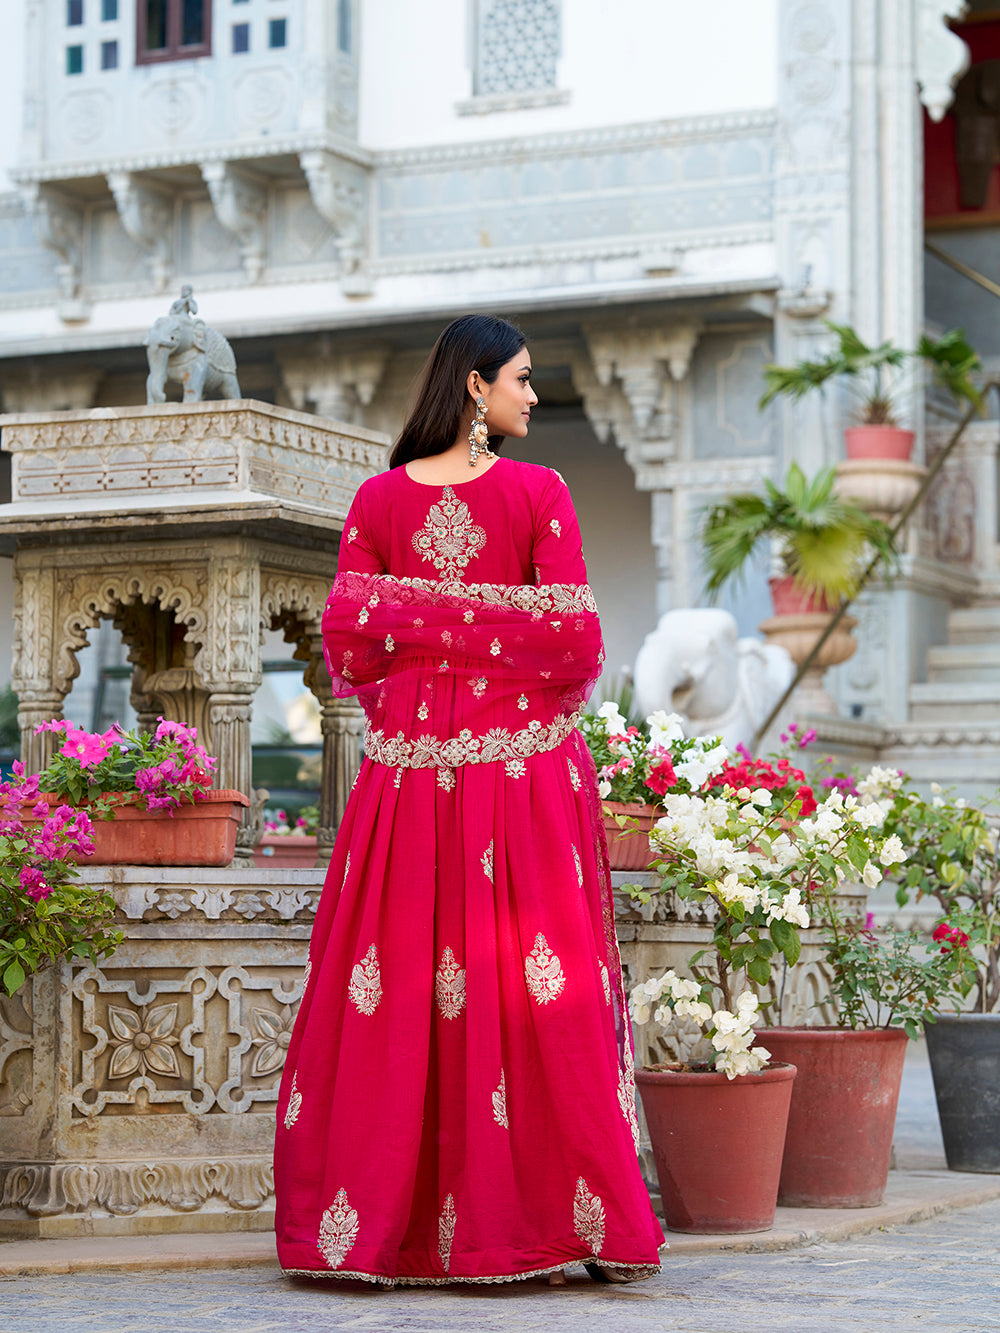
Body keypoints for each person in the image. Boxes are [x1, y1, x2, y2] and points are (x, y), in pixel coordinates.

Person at [274, 314, 665, 1286]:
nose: (533, 395)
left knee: (530, 990)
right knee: (409, 988)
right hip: (449, 778)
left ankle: (526, 1222)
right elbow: (347, 634)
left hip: (485, 778)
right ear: (474, 386)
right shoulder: (395, 498)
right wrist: (499, 624)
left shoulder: (528, 492)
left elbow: (575, 643)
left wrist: (419, 619)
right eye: (521, 378)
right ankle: (442, 1229)